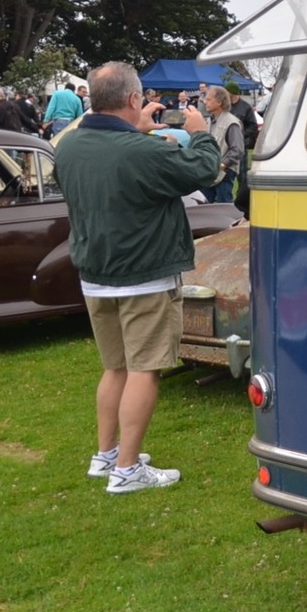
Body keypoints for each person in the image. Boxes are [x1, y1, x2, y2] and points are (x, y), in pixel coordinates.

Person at [52, 61, 220, 494]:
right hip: (144, 275)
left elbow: (115, 167)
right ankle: (126, 470)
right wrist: (200, 131)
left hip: (96, 272)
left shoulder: (69, 146)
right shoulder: (143, 152)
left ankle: (106, 454)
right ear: (132, 99)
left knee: (115, 367)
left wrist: (137, 130)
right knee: (144, 370)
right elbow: (203, 171)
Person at [201, 86, 245, 204]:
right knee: (204, 207)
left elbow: (238, 150)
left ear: (219, 102)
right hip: (209, 172)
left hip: (224, 173)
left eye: (209, 99)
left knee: (224, 207)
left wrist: (222, 165)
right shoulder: (208, 121)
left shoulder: (232, 122)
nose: (205, 102)